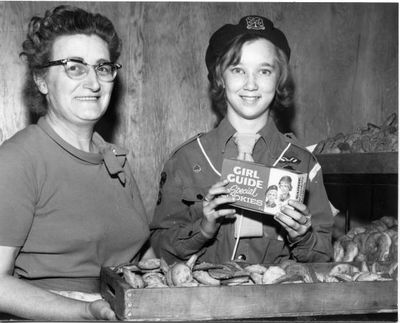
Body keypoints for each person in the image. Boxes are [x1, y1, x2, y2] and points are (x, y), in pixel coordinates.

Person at [0, 5, 153, 320]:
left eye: (103, 67)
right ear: (42, 80)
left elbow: (141, 257)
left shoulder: (115, 158)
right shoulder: (18, 160)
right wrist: (85, 311)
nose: (94, 83)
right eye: (74, 67)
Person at [150, 15, 333, 265]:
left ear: (279, 79)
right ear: (220, 77)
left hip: (278, 302)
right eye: (237, 70)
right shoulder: (186, 159)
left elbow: (324, 258)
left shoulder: (304, 165)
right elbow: (160, 249)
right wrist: (203, 229)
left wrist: (302, 237)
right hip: (202, 301)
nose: (250, 84)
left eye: (264, 71)